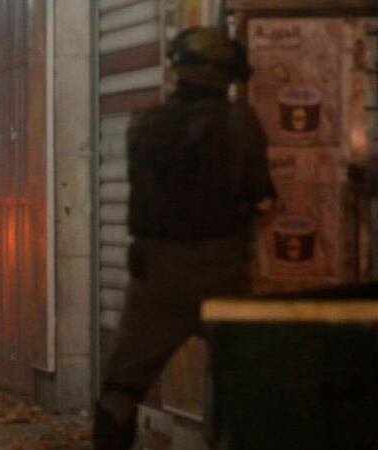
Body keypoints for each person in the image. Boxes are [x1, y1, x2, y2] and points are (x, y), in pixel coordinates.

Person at [93, 27, 276, 449]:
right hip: (221, 272)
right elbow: (261, 196)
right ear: (225, 75)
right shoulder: (239, 122)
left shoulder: (144, 124)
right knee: (252, 388)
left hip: (155, 276)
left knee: (121, 389)